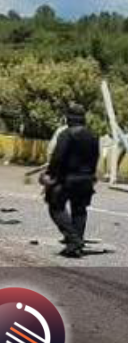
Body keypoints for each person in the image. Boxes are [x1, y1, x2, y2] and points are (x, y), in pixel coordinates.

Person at [44, 103, 100, 257]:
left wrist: (50, 175)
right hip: (86, 178)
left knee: (55, 207)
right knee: (79, 211)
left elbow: (57, 158)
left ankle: (74, 240)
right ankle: (75, 246)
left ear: (69, 118)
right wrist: (92, 175)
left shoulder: (66, 135)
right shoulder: (93, 136)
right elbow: (95, 158)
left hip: (67, 179)